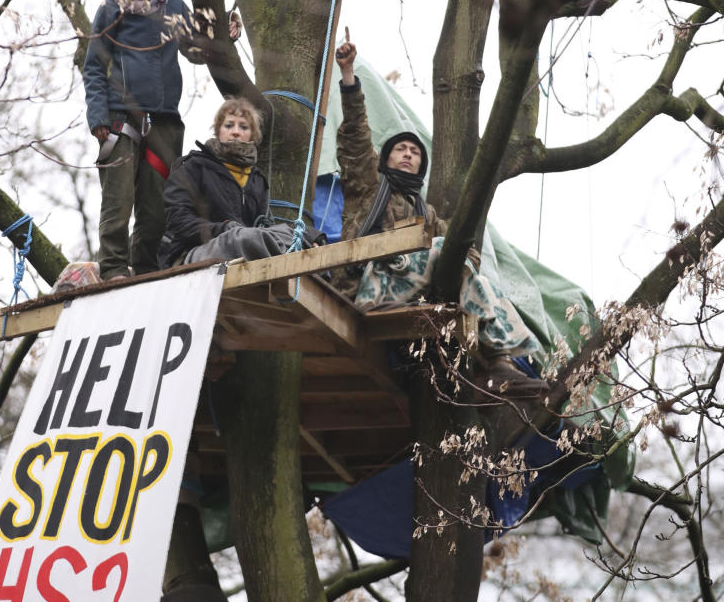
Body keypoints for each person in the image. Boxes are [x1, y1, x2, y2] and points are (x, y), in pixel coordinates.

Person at [334, 37, 544, 394]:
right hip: (368, 288)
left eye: (414, 151)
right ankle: (499, 359)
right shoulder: (368, 190)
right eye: (399, 148)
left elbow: (467, 253)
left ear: (420, 164)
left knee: (479, 279)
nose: (407, 154)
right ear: (385, 159)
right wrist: (349, 74)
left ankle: (502, 362)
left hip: (411, 297)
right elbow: (355, 137)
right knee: (445, 247)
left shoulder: (426, 214)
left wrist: (460, 266)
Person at [83, 0, 239, 281]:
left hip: (164, 120)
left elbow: (193, 52)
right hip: (120, 118)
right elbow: (93, 67)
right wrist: (98, 117)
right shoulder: (111, 10)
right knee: (119, 200)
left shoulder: (174, 6)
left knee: (157, 207)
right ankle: (113, 269)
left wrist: (222, 37)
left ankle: (147, 268)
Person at [158, 96, 293, 267]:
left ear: (253, 135)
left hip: (247, 248)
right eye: (229, 125)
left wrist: (307, 237)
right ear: (218, 131)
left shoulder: (257, 180)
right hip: (194, 252)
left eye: (243, 127)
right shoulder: (193, 167)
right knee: (243, 238)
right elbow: (178, 221)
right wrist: (223, 228)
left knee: (292, 234)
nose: (235, 131)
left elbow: (264, 225)